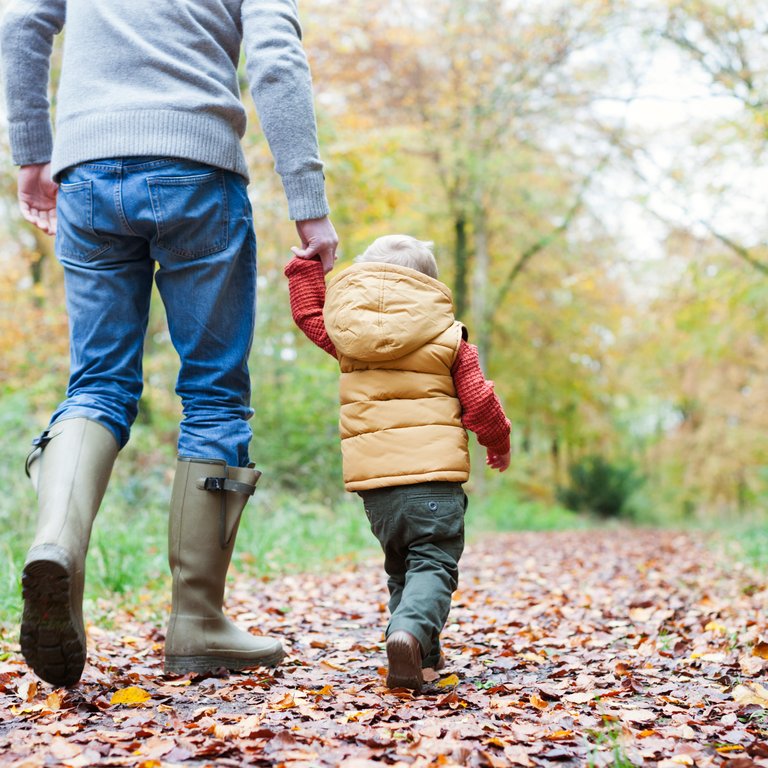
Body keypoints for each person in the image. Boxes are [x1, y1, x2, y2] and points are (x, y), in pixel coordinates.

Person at [0, 0, 338, 688]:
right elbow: (275, 59)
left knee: (96, 386)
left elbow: (20, 24)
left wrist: (32, 153)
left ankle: (57, 543)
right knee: (213, 394)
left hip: (88, 169)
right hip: (198, 169)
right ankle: (196, 621)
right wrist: (310, 206)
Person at [285, 235, 510, 691]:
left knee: (402, 568)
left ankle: (420, 663)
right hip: (433, 480)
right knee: (433, 566)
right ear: (428, 285)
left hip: (377, 487)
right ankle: (406, 634)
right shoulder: (449, 337)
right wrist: (498, 440)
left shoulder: (349, 335)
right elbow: (479, 401)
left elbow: (308, 315)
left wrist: (305, 269)